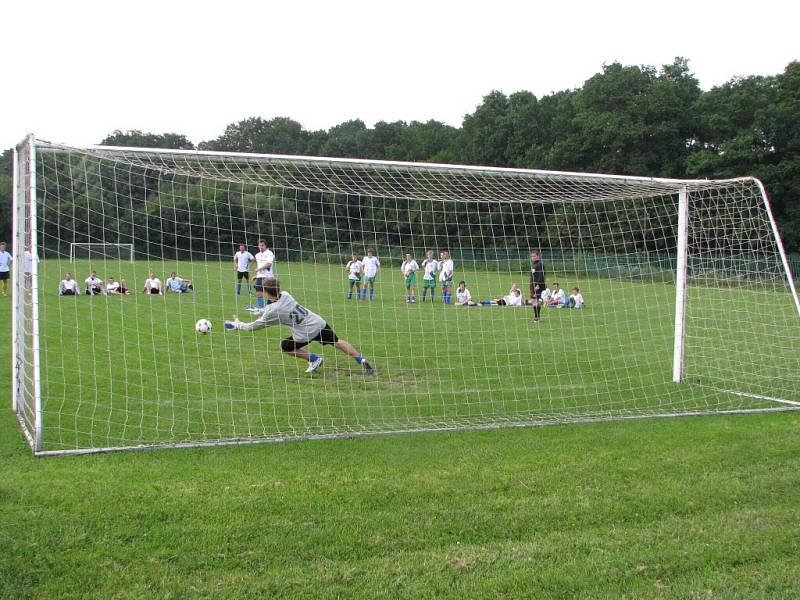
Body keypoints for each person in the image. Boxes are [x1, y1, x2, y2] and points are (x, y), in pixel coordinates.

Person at [224, 277, 376, 376]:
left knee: (285, 346)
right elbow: (276, 308)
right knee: (337, 342)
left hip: (305, 333)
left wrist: (238, 325)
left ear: (265, 292)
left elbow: (254, 326)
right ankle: (362, 361)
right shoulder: (285, 294)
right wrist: (259, 310)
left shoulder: (273, 311)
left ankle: (314, 358)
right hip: (317, 322)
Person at [253, 239, 275, 309]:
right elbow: (259, 265)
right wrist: (256, 276)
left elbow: (269, 264)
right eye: (259, 245)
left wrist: (259, 269)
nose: (261, 247)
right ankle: (261, 309)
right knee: (259, 292)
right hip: (260, 277)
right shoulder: (257, 255)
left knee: (269, 294)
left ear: (265, 246)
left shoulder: (269, 253)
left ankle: (269, 308)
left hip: (268, 277)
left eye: (262, 245)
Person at [529, 250, 546, 323]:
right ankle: (536, 317)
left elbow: (542, 275)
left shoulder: (540, 264)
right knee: (534, 300)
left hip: (537, 285)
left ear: (538, 256)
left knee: (536, 300)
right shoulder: (534, 264)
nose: (532, 257)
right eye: (531, 256)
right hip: (533, 285)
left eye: (534, 256)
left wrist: (538, 284)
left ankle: (537, 318)